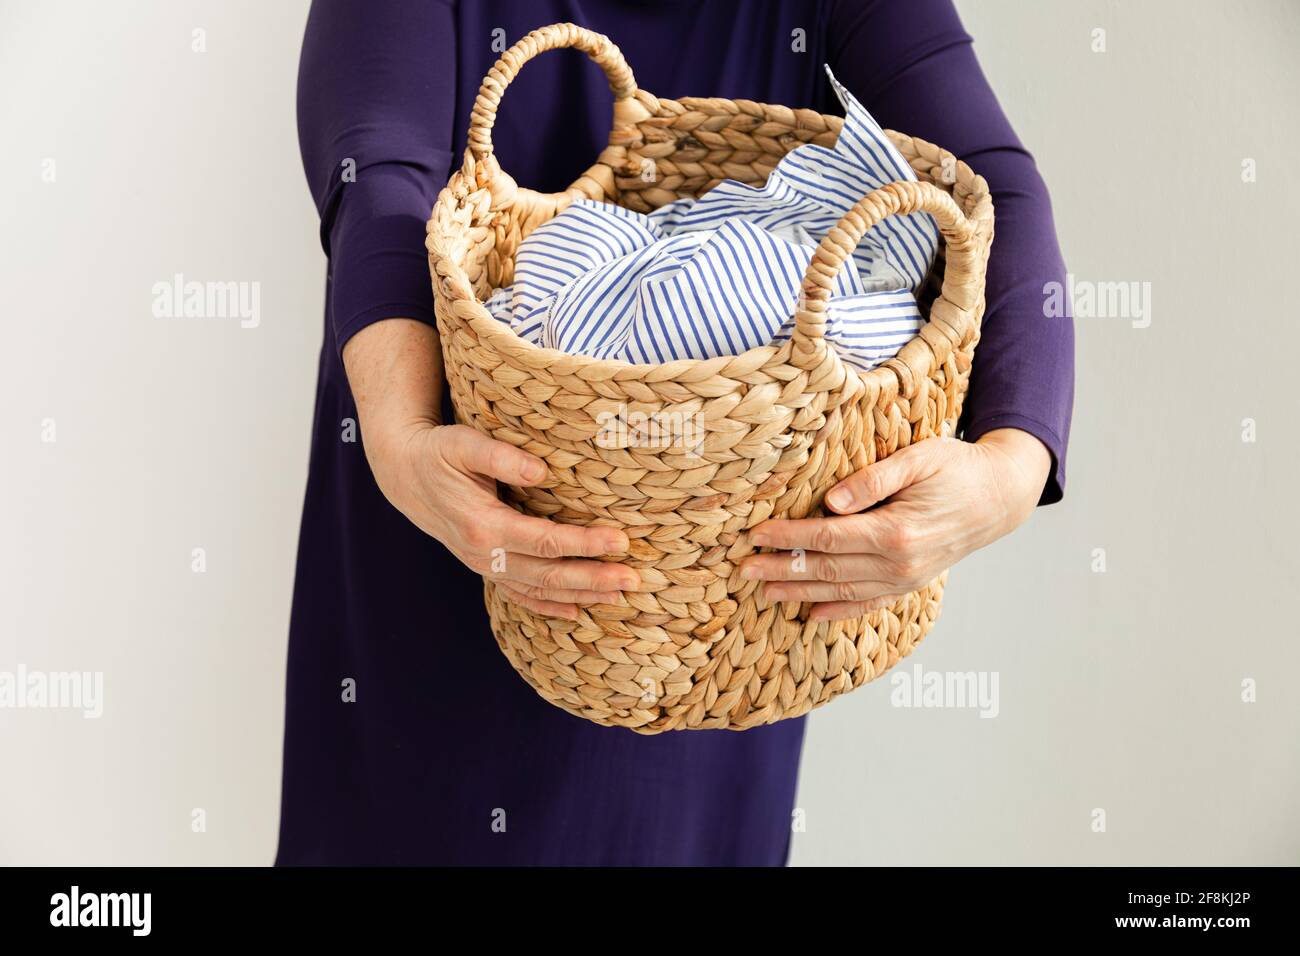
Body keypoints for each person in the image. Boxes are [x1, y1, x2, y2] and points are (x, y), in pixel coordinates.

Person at [277, 0, 1074, 866]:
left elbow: (991, 182)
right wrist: (398, 437)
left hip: (723, 609)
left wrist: (1010, 470)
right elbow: (379, 168)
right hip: (453, 515)